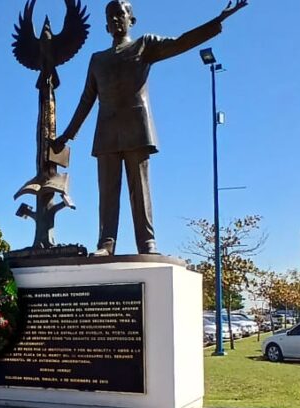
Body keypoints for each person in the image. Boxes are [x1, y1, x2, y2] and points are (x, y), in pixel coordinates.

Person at [52, 0, 248, 256]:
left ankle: (147, 243)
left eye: (119, 15)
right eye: (110, 16)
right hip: (107, 132)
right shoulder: (97, 59)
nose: (114, 20)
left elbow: (180, 42)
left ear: (131, 20)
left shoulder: (144, 45)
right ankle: (106, 243)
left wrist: (216, 22)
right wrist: (67, 135)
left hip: (137, 128)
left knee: (140, 190)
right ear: (105, 25)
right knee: (107, 194)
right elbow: (86, 99)